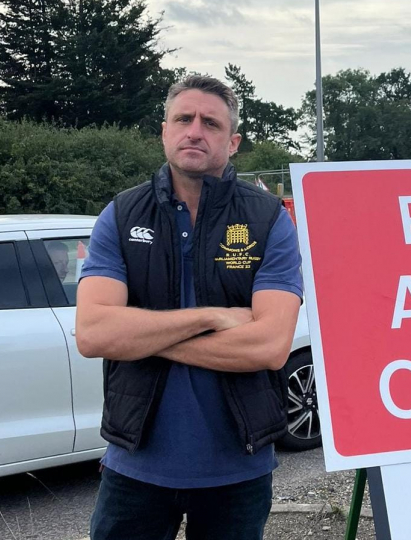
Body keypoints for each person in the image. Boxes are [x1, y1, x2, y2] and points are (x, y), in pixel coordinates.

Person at [76, 75, 303, 540]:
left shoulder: (268, 220)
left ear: (233, 141)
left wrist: (143, 338)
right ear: (164, 131)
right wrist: (210, 317)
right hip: (135, 465)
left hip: (238, 469)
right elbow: (95, 334)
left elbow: (269, 346)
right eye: (183, 118)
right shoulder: (120, 216)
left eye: (211, 123)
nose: (195, 131)